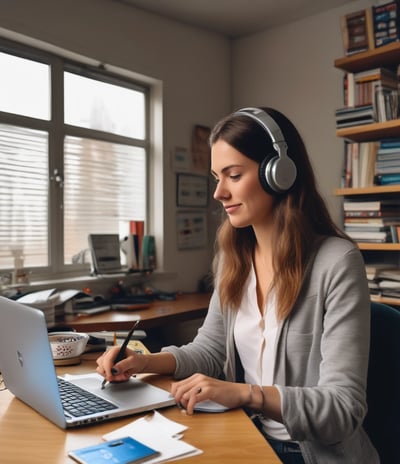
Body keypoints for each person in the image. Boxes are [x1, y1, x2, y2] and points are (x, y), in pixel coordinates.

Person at [97, 107, 379, 464]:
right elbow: (211, 351)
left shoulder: (336, 262)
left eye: (233, 175)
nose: (218, 193)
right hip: (245, 435)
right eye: (216, 177)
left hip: (309, 453)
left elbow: (343, 409)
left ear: (279, 174)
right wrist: (142, 362)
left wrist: (247, 394)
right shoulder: (233, 260)